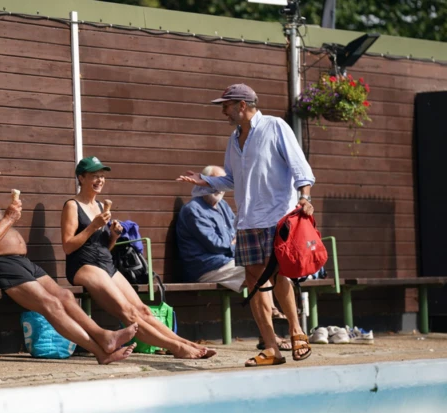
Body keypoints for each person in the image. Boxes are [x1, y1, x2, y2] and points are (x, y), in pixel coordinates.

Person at [0, 150, 138, 365]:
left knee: (65, 296)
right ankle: (99, 351)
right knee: (51, 304)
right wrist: (10, 217)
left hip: (19, 263)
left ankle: (104, 336)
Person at [177, 84, 315, 367]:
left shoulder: (276, 127)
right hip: (248, 220)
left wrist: (304, 197)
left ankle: (297, 331)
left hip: (278, 216)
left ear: (242, 105)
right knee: (254, 282)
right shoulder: (233, 139)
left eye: (226, 106)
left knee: (279, 276)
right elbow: (231, 179)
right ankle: (271, 348)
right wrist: (206, 182)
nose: (223, 112)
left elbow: (300, 167)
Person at [61, 156, 216, 359]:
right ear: (81, 178)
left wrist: (114, 235)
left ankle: (184, 342)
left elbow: (104, 248)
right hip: (83, 265)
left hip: (104, 262)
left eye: (102, 176)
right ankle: (177, 348)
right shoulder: (72, 206)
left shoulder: (99, 206)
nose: (99, 180)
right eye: (94, 176)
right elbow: (67, 246)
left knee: (142, 309)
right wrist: (93, 227)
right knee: (129, 313)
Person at [175, 165, 290, 352]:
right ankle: (271, 323)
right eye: (214, 183)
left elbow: (236, 232)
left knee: (260, 270)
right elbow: (215, 244)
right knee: (256, 272)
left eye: (221, 184)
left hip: (226, 262)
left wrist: (233, 240)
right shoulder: (193, 210)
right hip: (206, 267)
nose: (219, 189)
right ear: (204, 183)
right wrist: (234, 241)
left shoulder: (223, 206)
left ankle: (267, 334)